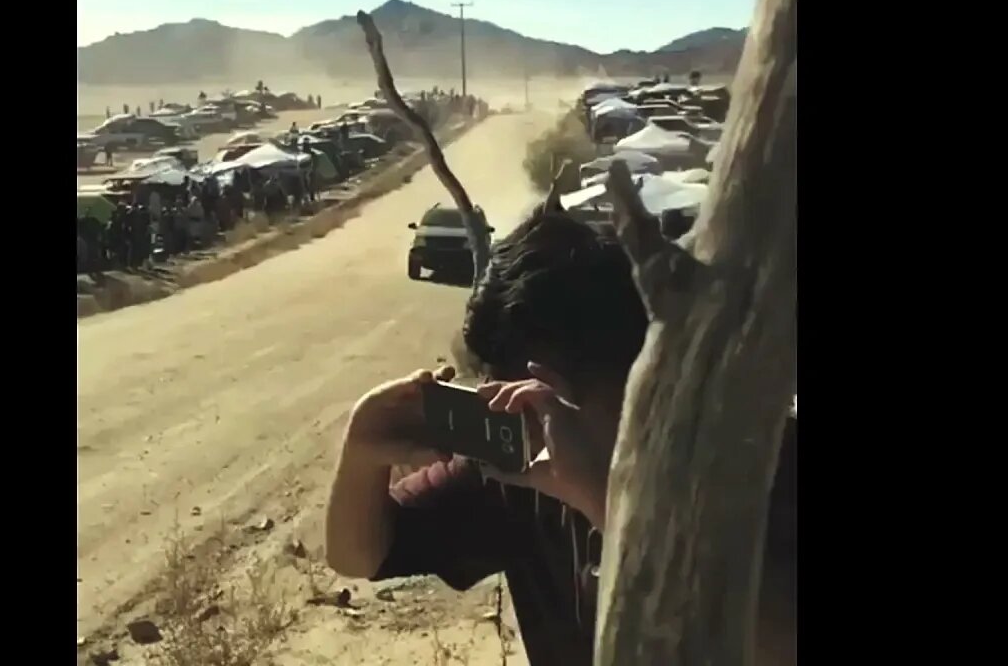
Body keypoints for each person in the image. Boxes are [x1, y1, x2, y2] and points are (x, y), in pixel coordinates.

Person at [324, 201, 797, 666]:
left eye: (542, 401)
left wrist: (607, 505)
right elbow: (359, 557)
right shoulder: (526, 474)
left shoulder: (764, 458)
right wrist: (363, 449)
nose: (536, 426)